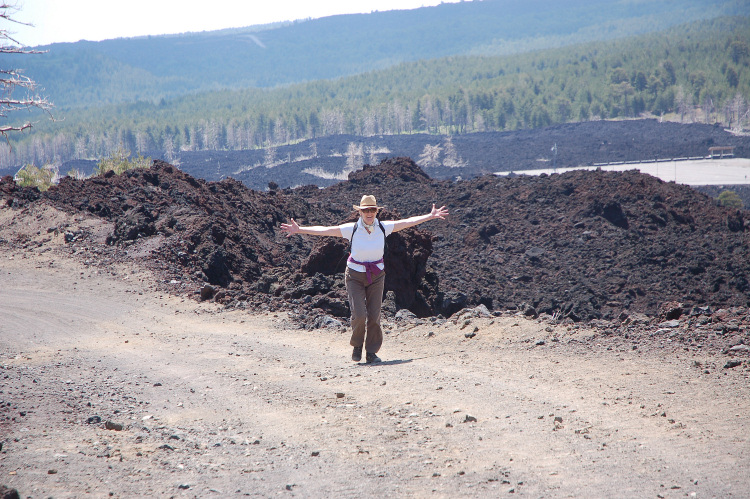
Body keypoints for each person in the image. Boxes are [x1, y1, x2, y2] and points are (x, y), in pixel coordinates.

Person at [281, 195, 449, 363]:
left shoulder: (383, 227)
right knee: (359, 315)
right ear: (360, 212)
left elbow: (407, 222)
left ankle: (371, 352)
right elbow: (325, 230)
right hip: (354, 275)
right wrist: (299, 229)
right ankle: (357, 345)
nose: (369, 213)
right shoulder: (351, 229)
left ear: (377, 211)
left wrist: (430, 216)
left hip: (377, 275)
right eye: (365, 210)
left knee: (375, 316)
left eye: (372, 210)